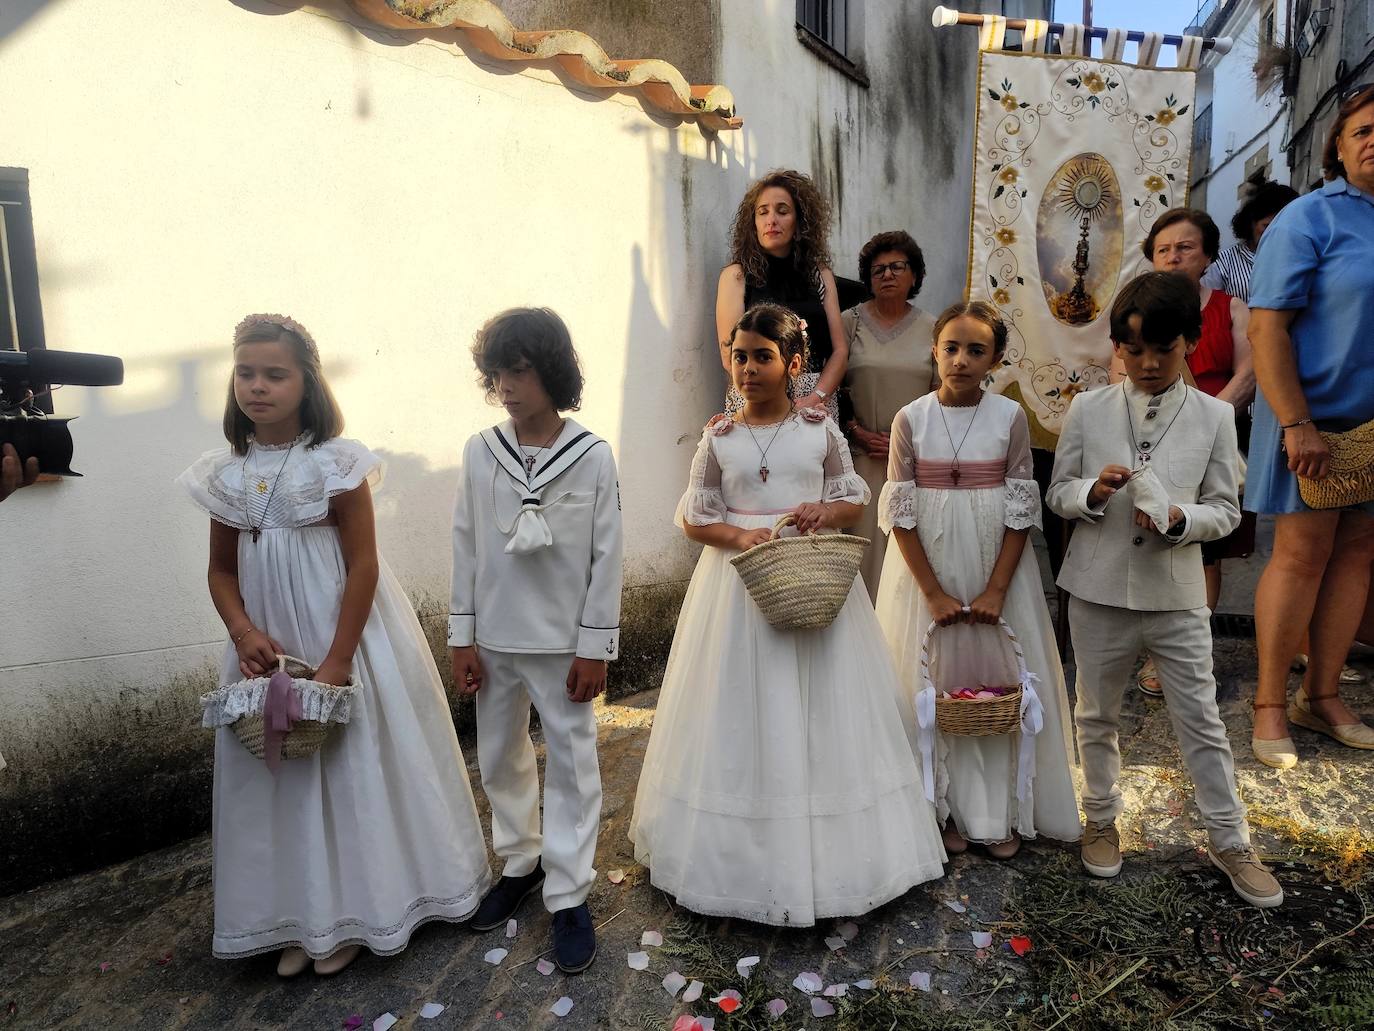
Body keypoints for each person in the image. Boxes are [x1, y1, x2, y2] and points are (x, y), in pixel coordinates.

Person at [178, 314, 492, 976]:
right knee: (278, 776)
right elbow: (221, 570)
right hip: (266, 645)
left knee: (350, 770)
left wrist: (341, 655)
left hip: (341, 633)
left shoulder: (337, 462)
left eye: (274, 373)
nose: (257, 386)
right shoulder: (226, 473)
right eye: (245, 372)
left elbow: (363, 564)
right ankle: (298, 915)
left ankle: (356, 911)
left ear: (306, 381)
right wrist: (243, 632)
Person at [630, 303, 946, 925]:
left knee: (823, 706)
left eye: (762, 357)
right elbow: (693, 516)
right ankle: (739, 860)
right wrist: (737, 537)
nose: (747, 368)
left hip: (813, 579)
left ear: (794, 364)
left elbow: (853, 498)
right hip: (737, 585)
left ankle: (837, 855)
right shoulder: (718, 437)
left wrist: (819, 514)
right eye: (739, 356)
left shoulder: (817, 430)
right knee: (741, 708)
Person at [1048, 272, 1282, 909]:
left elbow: (1226, 511)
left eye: (1165, 349)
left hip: (1177, 594)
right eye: (1134, 350)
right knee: (1095, 714)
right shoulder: (1088, 409)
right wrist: (1091, 493)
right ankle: (1100, 816)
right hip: (1096, 591)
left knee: (1201, 719)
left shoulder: (1211, 415)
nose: (1149, 363)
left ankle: (1230, 838)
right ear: (1117, 349)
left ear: (1191, 343)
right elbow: (1057, 491)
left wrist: (1180, 519)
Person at [449, 308, 623, 974]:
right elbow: (465, 542)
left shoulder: (592, 455)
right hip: (493, 637)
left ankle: (570, 891)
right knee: (498, 752)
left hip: (562, 645)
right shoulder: (479, 450)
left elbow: (607, 555)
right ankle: (521, 860)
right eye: (498, 372)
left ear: (551, 371)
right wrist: (462, 636)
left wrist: (594, 647)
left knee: (574, 762)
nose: (508, 385)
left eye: (520, 370)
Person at [874, 302, 1079, 860]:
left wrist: (996, 589)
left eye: (976, 350)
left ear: (997, 359)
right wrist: (933, 593)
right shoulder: (909, 419)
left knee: (995, 682)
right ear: (935, 349)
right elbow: (899, 514)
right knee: (932, 681)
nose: (961, 360)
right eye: (951, 347)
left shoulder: (1008, 418)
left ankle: (997, 810)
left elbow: (1020, 509)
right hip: (927, 571)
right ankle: (937, 809)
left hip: (993, 564)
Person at [1245, 83, 1374, 769]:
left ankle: (1320, 696)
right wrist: (1296, 422)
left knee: (1357, 553)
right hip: (1311, 421)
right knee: (1302, 554)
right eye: (1363, 130)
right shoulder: (1310, 219)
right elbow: (1266, 328)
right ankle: (1269, 702)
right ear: (1338, 146)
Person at [1131, 208, 1256, 696]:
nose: (1174, 255)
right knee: (1155, 544)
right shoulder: (1138, 309)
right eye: (1163, 249)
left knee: (1206, 551)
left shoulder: (1232, 308)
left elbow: (1248, 374)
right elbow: (1122, 373)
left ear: (1206, 255)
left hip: (1219, 440)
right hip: (1151, 441)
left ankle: (1191, 649)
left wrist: (1206, 424)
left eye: (1185, 247)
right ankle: (1156, 652)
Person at [840, 230, 939, 600]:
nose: (887, 275)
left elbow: (941, 393)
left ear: (914, 275)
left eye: (898, 266)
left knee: (908, 560)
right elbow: (833, 384)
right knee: (862, 561)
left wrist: (908, 441)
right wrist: (854, 430)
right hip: (861, 458)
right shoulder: (849, 323)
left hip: (916, 462)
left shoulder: (934, 328)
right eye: (878, 269)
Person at [715, 170, 847, 421]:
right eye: (763, 212)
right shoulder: (736, 276)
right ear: (752, 222)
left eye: (782, 211)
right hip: (755, 397)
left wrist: (816, 396)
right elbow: (729, 354)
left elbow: (840, 351)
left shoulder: (820, 275)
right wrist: (778, 399)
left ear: (800, 220)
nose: (771, 220)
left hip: (814, 400)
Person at [1201, 178, 1299, 303]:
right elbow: (1207, 308)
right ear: (1251, 222)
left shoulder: (1298, 257)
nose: (1274, 234)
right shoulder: (1223, 264)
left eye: (1283, 228)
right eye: (1267, 226)